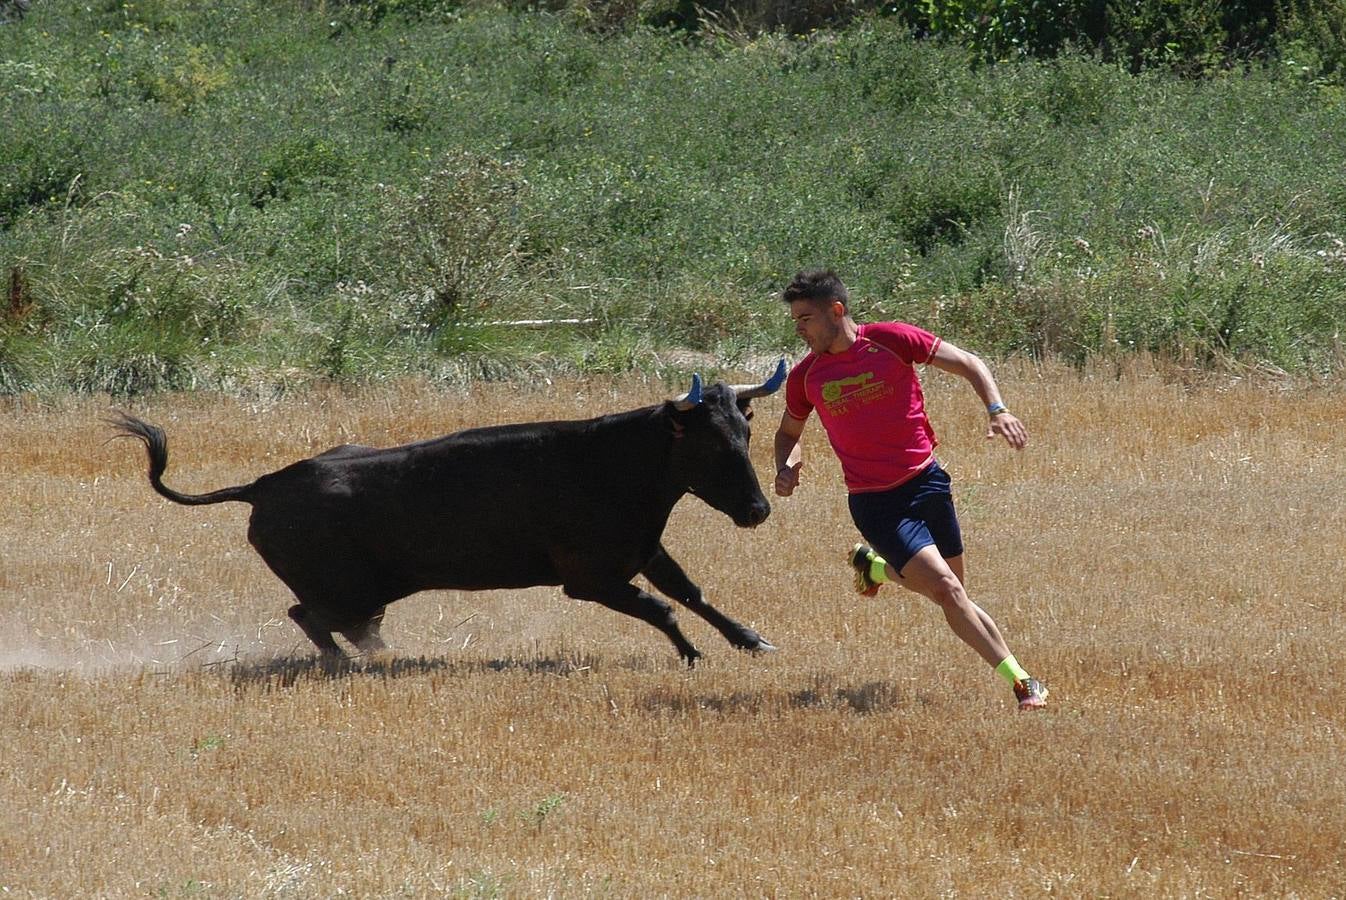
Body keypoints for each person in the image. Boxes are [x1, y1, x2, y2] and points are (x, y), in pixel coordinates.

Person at [771, 269, 1048, 710]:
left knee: (955, 593)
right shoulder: (807, 377)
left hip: (927, 481)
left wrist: (997, 409)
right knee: (948, 592)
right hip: (875, 502)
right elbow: (788, 434)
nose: (799, 329)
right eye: (796, 321)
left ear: (836, 311)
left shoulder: (892, 339)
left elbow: (970, 363)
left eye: (805, 319)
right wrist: (786, 465)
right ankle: (1024, 682)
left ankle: (876, 569)